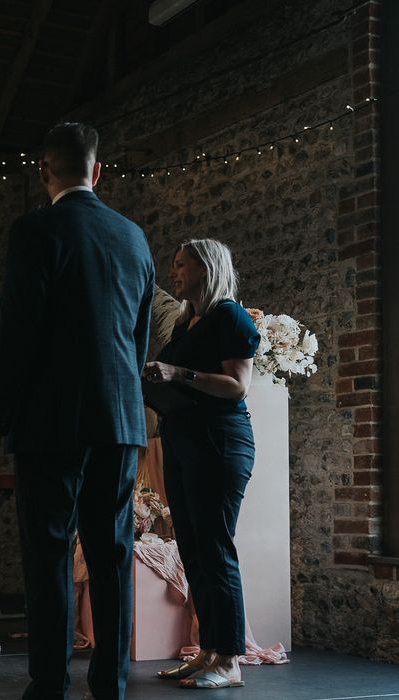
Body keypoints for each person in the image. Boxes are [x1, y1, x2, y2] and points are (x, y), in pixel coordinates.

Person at [0, 122, 155, 700]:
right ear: (98, 170)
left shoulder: (34, 230)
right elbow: (139, 337)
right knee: (112, 554)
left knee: (49, 551)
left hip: (51, 419)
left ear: (43, 170)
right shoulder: (134, 238)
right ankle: (112, 684)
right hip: (121, 418)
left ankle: (50, 684)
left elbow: (19, 335)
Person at [143, 239, 259, 690]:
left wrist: (177, 375)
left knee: (215, 549)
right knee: (191, 548)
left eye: (180, 265)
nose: (174, 274)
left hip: (220, 443)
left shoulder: (230, 316)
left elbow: (237, 386)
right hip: (184, 441)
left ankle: (230, 660)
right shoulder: (188, 323)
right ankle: (209, 650)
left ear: (206, 268)